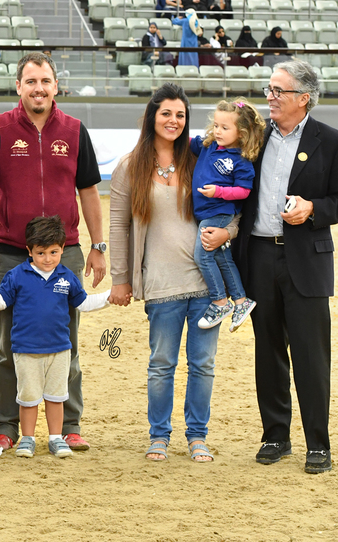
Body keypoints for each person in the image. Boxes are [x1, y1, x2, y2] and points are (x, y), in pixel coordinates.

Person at [0, 52, 105, 455]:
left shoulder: (75, 130)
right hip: (12, 255)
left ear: (55, 85)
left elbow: (88, 191)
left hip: (64, 253)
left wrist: (98, 246)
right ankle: (4, 424)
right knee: (6, 345)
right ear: (18, 86)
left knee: (65, 343)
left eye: (45, 81)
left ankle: (68, 425)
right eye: (31, 81)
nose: (38, 88)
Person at [109, 83, 235, 463]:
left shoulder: (203, 162)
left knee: (204, 364)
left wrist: (229, 231)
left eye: (180, 114)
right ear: (152, 116)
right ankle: (158, 436)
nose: (173, 120)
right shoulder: (130, 166)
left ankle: (197, 435)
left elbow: (234, 207)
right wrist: (121, 278)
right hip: (161, 284)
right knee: (161, 364)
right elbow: (118, 226)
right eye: (166, 113)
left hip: (206, 285)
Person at [232, 61, 338, 474]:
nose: (270, 97)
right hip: (257, 256)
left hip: (306, 260)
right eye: (269, 89)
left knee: (311, 355)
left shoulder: (328, 140)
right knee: (268, 350)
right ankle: (275, 435)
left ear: (303, 97)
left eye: (279, 90)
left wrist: (315, 209)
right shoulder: (253, 138)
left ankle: (318, 444)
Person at [0, 216, 109, 460]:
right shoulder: (17, 275)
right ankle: (28, 438)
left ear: (63, 249)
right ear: (29, 251)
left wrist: (110, 296)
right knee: (28, 398)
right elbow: (1, 302)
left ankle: (56, 438)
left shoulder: (67, 277)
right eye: (41, 252)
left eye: (54, 252)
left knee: (56, 397)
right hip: (26, 350)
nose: (48, 259)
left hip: (59, 350)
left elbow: (84, 303)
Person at [190, 99, 265, 331]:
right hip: (206, 213)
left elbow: (243, 191)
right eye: (216, 125)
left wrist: (218, 192)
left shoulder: (241, 160)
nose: (218, 131)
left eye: (225, 127)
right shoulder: (208, 145)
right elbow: (188, 143)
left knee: (202, 256)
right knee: (222, 257)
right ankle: (241, 301)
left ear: (241, 133)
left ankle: (220, 301)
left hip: (220, 212)